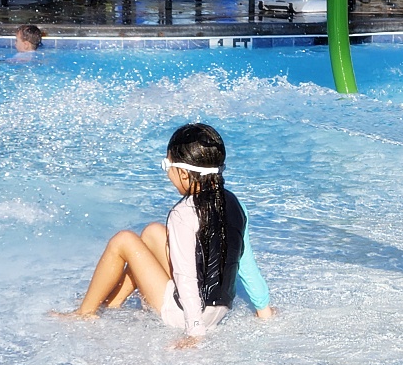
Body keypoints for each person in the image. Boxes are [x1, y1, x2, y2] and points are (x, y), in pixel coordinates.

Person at [72, 123, 274, 345]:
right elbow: (246, 263)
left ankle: (85, 313)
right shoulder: (236, 204)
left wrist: (194, 332)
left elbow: (185, 275)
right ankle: (112, 305)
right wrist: (263, 310)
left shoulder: (184, 213)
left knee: (123, 240)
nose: (167, 173)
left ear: (185, 174)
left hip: (185, 315)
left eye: (167, 165)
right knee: (152, 233)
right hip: (219, 311)